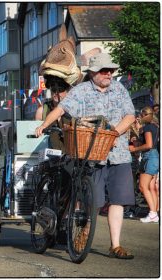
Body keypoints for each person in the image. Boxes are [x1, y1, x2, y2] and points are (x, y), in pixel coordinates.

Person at [36, 53, 136, 259]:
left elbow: (130, 116)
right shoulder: (81, 91)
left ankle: (115, 245)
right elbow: (62, 108)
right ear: (92, 72)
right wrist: (44, 124)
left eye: (111, 70)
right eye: (104, 70)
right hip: (90, 154)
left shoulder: (119, 89)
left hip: (119, 154)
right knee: (90, 200)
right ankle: (81, 235)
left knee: (117, 200)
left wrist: (113, 134)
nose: (109, 74)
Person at [129, 106, 159, 223]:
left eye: (141, 115)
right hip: (154, 157)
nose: (139, 117)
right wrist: (136, 138)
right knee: (151, 187)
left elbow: (149, 145)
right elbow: (147, 143)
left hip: (149, 157)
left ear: (144, 116)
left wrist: (134, 150)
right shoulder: (154, 127)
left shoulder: (147, 128)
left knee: (142, 186)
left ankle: (153, 213)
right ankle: (154, 213)